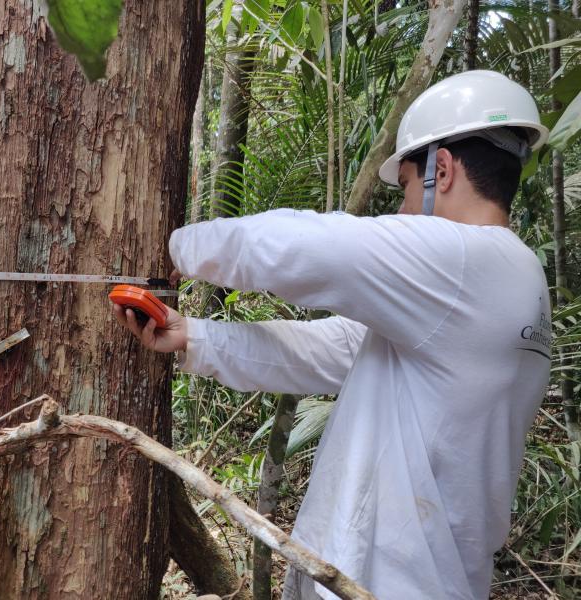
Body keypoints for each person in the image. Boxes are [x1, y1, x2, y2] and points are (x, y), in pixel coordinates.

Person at [112, 70, 552, 599]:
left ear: (442, 170)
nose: (405, 208)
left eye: (408, 186)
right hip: (418, 577)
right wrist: (196, 338)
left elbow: (316, 247)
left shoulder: (467, 260)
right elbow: (339, 350)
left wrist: (181, 250)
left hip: (390, 581)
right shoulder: (505, 281)